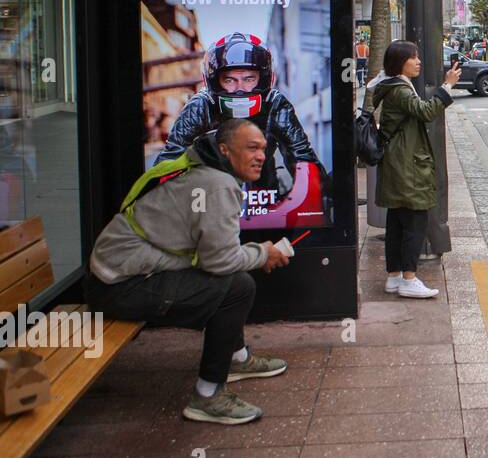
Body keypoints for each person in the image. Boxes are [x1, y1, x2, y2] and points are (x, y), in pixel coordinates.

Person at [85, 119, 291, 425]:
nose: (261, 156)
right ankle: (207, 396)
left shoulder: (200, 166)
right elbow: (219, 261)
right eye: (251, 148)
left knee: (234, 283)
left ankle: (236, 359)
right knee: (237, 288)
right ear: (224, 150)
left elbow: (211, 255)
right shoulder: (217, 184)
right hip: (119, 286)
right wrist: (263, 254)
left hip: (116, 275)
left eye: (263, 148)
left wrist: (255, 253)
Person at [156, 32, 325, 201]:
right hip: (207, 199)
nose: (240, 88)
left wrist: (324, 196)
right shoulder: (200, 106)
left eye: (249, 79)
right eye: (229, 80)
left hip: (264, 196)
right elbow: (170, 159)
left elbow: (302, 157)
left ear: (263, 78)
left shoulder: (276, 104)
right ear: (214, 80)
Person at [368, 41, 460, 299]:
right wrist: (447, 85)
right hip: (406, 166)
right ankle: (409, 278)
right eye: (413, 57)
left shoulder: (393, 86)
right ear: (400, 62)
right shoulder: (399, 89)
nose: (418, 61)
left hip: (398, 163)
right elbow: (426, 111)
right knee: (415, 221)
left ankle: (394, 277)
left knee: (397, 221)